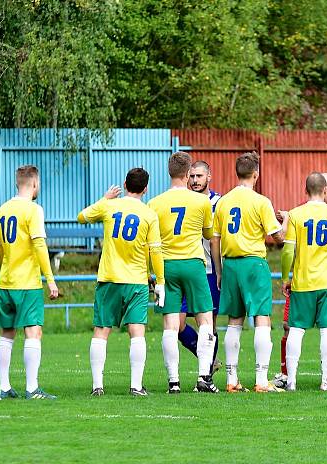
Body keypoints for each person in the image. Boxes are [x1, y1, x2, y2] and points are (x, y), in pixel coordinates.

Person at [80, 168, 165, 397]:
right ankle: (136, 386)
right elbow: (155, 251)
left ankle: (97, 385)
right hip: (136, 281)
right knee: (137, 331)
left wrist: (105, 198)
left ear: (125, 184)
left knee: (101, 331)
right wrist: (160, 281)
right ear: (145, 189)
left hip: (108, 278)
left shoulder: (109, 206)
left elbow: (83, 216)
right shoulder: (148, 214)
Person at [212, 152, 289, 393]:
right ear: (256, 174)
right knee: (261, 318)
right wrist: (285, 221)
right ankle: (261, 380)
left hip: (230, 264)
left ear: (237, 173)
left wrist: (219, 271)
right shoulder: (261, 201)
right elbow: (278, 237)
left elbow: (215, 239)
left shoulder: (223, 201)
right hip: (254, 263)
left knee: (234, 321)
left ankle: (231, 380)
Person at [274, 172, 327, 389]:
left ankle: (291, 380)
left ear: (305, 190)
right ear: (325, 191)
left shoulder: (296, 214)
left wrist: (285, 277)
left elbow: (288, 250)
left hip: (303, 281)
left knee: (296, 330)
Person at [148, 152, 218, 393]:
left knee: (170, 323)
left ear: (169, 172)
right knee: (205, 318)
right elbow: (208, 234)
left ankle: (174, 382)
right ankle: (203, 378)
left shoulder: (155, 203)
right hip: (193, 264)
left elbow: (151, 242)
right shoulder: (201, 202)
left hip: (166, 266)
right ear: (188, 174)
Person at [0, 165, 59, 400]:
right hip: (27, 282)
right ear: (34, 183)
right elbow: (40, 245)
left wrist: (7, 265)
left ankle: (4, 387)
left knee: (6, 333)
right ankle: (32, 388)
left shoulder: (2, 210)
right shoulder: (33, 210)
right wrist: (50, 280)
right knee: (33, 332)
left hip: (6, 281)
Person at [176, 160, 222, 374]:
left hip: (210, 271)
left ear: (209, 177)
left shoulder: (219, 203)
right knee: (177, 323)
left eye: (199, 176)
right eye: (192, 176)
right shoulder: (182, 201)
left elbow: (216, 239)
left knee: (209, 322)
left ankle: (207, 372)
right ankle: (210, 362)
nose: (195, 180)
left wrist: (220, 269)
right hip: (186, 266)